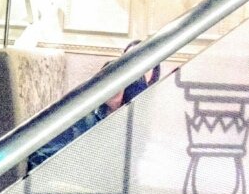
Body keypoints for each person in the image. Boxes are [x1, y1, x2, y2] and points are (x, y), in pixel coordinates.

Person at [28, 40, 159, 168]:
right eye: (126, 61)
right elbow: (40, 158)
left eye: (141, 67)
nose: (129, 72)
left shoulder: (137, 125)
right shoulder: (83, 115)